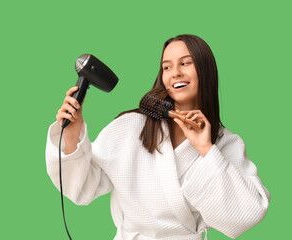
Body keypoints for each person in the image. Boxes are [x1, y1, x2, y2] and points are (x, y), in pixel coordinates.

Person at [46, 34, 271, 240]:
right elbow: (82, 188)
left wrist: (206, 149)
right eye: (166, 67)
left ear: (205, 70)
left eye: (185, 63)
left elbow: (246, 215)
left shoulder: (225, 143)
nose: (176, 73)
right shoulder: (130, 127)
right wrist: (72, 134)